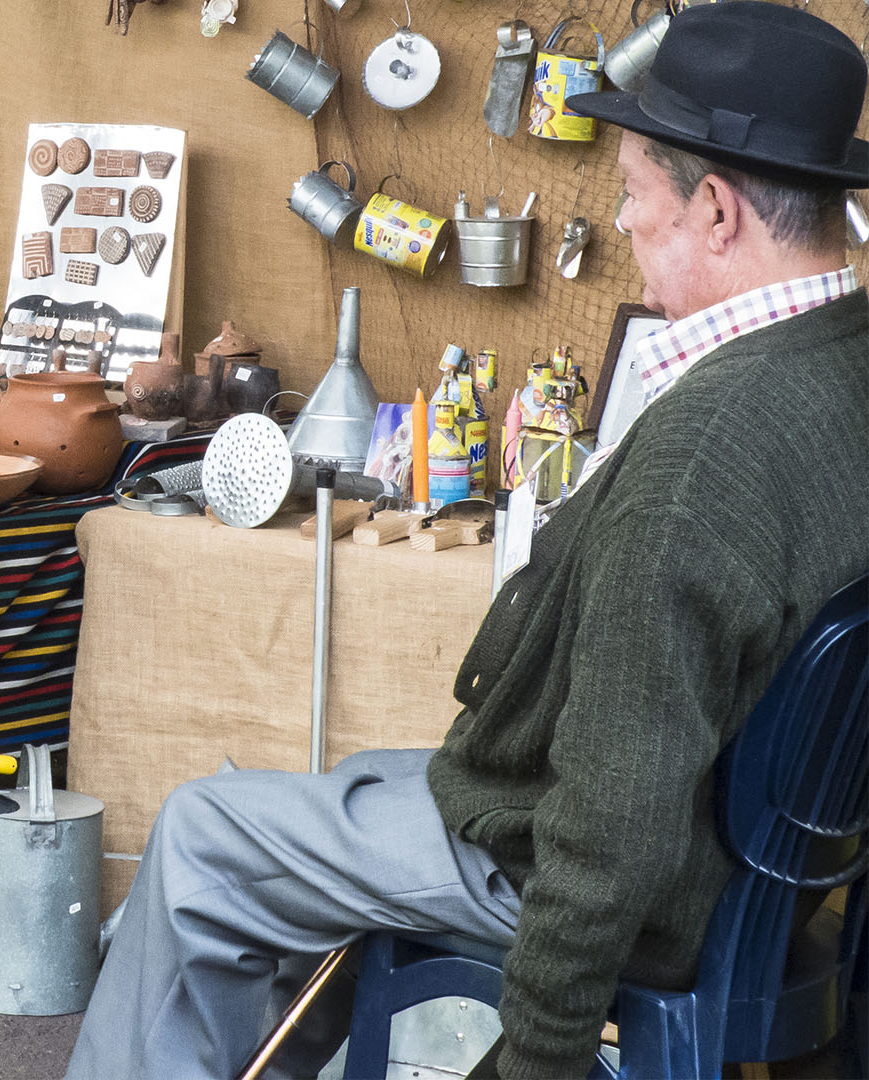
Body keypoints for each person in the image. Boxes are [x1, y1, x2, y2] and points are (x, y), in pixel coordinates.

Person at [64, 4, 869, 1077]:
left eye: (632, 194)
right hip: (760, 861)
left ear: (717, 210)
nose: (622, 223)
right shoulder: (843, 362)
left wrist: (534, 1058)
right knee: (362, 786)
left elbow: (610, 821)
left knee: (207, 836)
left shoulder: (703, 462)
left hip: (631, 875)